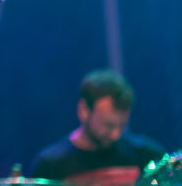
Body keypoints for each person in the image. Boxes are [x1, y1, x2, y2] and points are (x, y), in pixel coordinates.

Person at [28, 69, 166, 182]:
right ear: (83, 110)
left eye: (121, 125)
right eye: (108, 125)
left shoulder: (145, 155)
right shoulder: (50, 165)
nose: (116, 135)